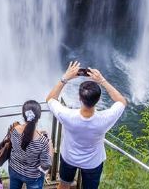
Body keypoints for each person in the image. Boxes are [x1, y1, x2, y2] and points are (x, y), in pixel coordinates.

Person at [46, 61, 128, 189]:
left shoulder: (67, 115)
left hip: (69, 158)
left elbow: (50, 99)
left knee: (63, 185)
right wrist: (102, 80)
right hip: (93, 163)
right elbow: (122, 101)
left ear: (79, 98)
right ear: (98, 100)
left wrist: (65, 78)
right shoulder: (105, 119)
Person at [8, 100, 52, 189]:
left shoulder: (15, 130)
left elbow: (18, 143)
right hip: (33, 176)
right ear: (39, 116)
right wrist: (50, 147)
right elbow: (45, 165)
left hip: (14, 169)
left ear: (23, 115)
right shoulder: (43, 141)